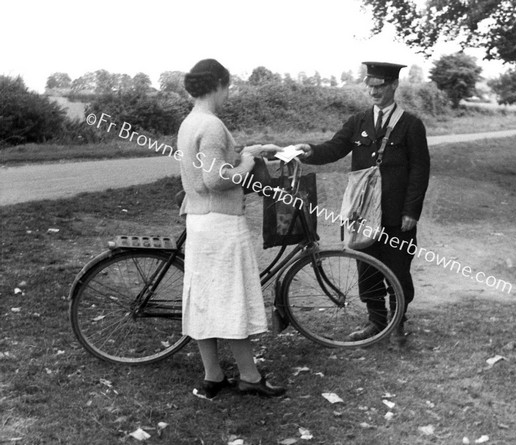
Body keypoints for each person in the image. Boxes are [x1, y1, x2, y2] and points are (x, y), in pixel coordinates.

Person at [294, 61, 430, 343]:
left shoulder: (411, 125)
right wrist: (310, 152)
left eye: (379, 86)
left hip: (395, 213)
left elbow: (420, 170)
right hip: (361, 212)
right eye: (369, 86)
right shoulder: (358, 121)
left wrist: (411, 211)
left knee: (397, 267)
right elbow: (334, 148)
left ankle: (398, 322)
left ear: (394, 85)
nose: (373, 92)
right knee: (366, 265)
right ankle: (376, 322)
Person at [177, 58, 285, 398]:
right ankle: (250, 377)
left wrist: (246, 151)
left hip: (199, 221)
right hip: (220, 223)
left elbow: (212, 165)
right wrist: (249, 163)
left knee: (206, 300)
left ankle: (212, 376)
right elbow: (216, 179)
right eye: (228, 88)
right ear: (219, 84)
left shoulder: (190, 122)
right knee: (230, 298)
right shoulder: (211, 125)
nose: (228, 94)